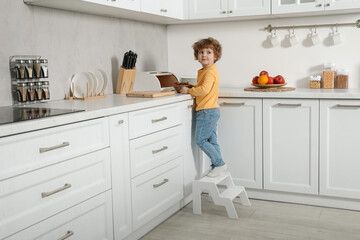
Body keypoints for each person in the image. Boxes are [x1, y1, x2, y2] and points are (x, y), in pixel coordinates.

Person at [179, 37, 227, 178]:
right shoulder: (206, 71)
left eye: (208, 52)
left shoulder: (210, 71)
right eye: (201, 52)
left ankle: (219, 164)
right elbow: (204, 88)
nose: (204, 55)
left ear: (215, 55)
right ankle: (217, 166)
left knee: (200, 140)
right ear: (197, 56)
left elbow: (205, 90)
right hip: (211, 110)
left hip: (207, 111)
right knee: (212, 141)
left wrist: (189, 91)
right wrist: (193, 87)